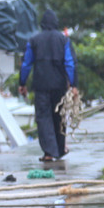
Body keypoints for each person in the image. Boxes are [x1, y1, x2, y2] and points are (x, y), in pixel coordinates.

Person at [17, 9, 76, 162]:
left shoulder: (34, 40)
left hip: (41, 85)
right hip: (59, 86)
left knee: (44, 118)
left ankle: (49, 152)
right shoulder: (63, 40)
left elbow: (26, 64)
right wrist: (73, 84)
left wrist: (22, 83)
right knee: (59, 117)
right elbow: (69, 63)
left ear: (42, 24)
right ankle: (61, 148)